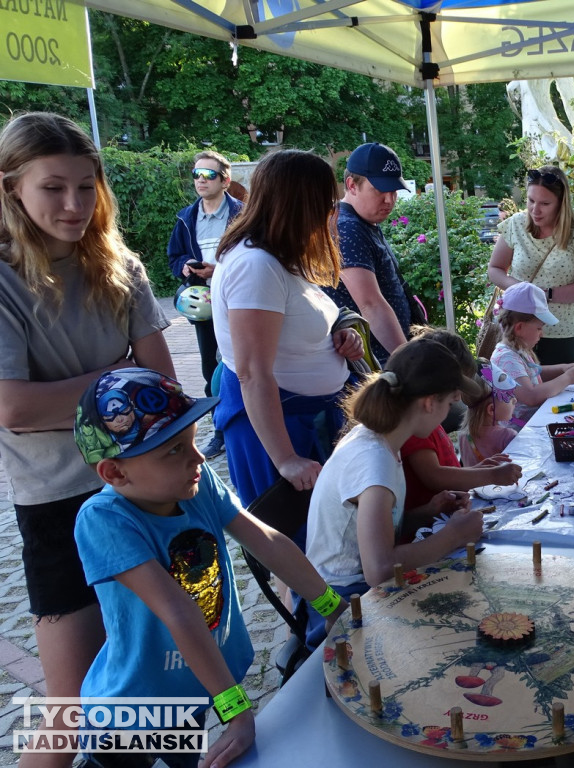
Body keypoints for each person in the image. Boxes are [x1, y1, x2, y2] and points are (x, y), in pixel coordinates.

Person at [0, 111, 174, 768]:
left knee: (150, 686)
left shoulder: (119, 263)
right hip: (58, 509)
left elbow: (162, 380)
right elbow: (14, 407)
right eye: (53, 188)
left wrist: (110, 387)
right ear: (11, 187)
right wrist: (118, 381)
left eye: (85, 186)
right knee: (68, 713)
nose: (73, 205)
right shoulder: (4, 280)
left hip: (141, 494)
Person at [73, 368, 345, 768]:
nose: (198, 456)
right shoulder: (104, 520)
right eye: (173, 449)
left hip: (196, 682)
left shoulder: (197, 486)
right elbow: (178, 610)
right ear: (115, 472)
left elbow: (267, 542)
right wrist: (235, 710)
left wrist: (332, 606)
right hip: (133, 704)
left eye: (191, 440)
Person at [304, 338, 485, 646]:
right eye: (449, 402)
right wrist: (453, 536)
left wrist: (426, 513)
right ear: (429, 403)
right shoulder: (374, 464)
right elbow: (380, 569)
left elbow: (371, 532)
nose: (448, 413)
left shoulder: (379, 439)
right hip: (346, 600)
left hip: (352, 584)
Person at [210, 149, 365, 507]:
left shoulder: (278, 258)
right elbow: (252, 373)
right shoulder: (256, 266)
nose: (333, 215)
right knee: (305, 550)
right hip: (284, 431)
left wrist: (337, 335)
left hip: (306, 421)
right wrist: (285, 459)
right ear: (301, 206)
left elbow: (294, 325)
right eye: (329, 205)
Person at [167, 150, 244, 459]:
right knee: (210, 368)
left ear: (225, 181)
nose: (201, 179)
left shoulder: (243, 214)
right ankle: (220, 431)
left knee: (241, 365)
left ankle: (247, 425)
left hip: (238, 302)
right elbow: (173, 257)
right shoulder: (186, 218)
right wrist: (185, 266)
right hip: (204, 305)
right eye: (197, 174)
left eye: (209, 174)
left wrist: (220, 270)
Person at [486, 165, 574, 365]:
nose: (535, 210)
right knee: (517, 394)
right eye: (531, 201)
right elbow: (495, 269)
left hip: (561, 335)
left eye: (545, 203)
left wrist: (544, 294)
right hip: (517, 331)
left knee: (561, 393)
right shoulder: (515, 224)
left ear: (561, 203)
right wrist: (521, 290)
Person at [400, 327, 522, 512]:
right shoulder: (417, 428)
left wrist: (475, 471)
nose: (458, 398)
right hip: (431, 524)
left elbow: (447, 472)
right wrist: (491, 475)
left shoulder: (427, 422)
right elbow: (435, 477)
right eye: (454, 393)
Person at [324, 142, 421, 365]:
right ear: (352, 185)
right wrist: (410, 363)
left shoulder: (362, 220)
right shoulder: (347, 227)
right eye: (379, 190)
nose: (389, 200)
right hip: (374, 363)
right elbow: (370, 304)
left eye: (394, 191)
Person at [490, 282, 574, 426]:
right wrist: (567, 378)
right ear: (519, 327)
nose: (542, 334)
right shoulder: (506, 358)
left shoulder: (518, 350)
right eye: (539, 328)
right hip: (518, 432)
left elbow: (533, 374)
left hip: (533, 423)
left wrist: (562, 369)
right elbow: (531, 396)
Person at [458, 362, 519, 467]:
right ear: (491, 409)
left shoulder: (463, 436)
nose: (515, 400)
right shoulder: (507, 436)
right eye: (509, 397)